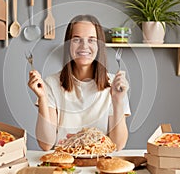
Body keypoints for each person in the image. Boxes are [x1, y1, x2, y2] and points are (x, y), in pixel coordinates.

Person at [28, 14, 130, 151]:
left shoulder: (115, 85)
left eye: (92, 40)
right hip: (63, 162)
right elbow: (46, 144)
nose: (84, 46)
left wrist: (118, 101)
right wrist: (42, 98)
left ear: (99, 46)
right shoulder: (51, 84)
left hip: (100, 163)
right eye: (77, 40)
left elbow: (118, 146)